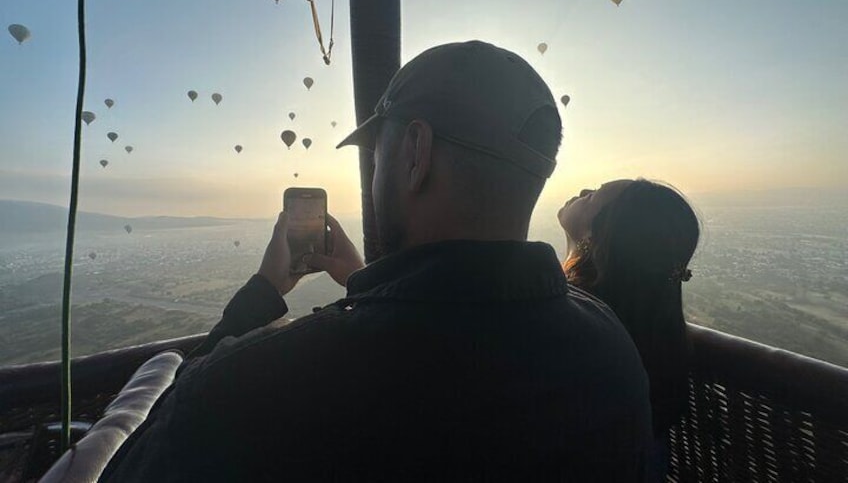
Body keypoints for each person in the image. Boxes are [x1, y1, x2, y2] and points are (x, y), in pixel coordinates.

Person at [101, 41, 651, 481]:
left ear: (415, 151)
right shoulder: (610, 349)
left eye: (378, 151)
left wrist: (264, 292)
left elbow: (152, 449)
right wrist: (370, 284)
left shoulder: (255, 386)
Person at [558, 179, 700, 481]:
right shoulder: (648, 343)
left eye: (593, 196)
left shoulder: (575, 338)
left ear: (597, 239)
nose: (583, 191)